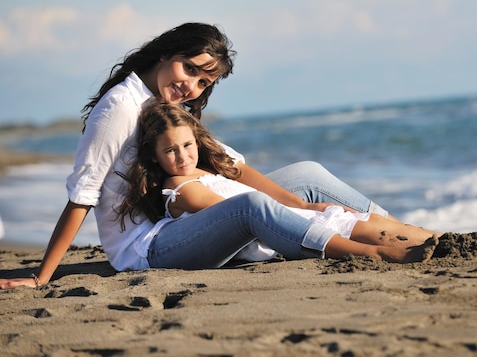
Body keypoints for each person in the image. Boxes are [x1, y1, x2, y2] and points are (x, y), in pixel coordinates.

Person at [0, 22, 477, 290]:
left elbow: (232, 166)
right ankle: (378, 253)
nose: (192, 85)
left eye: (204, 81)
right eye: (189, 69)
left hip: (187, 218)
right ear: (166, 52)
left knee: (308, 175)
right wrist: (43, 276)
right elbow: (83, 193)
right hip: (147, 247)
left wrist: (299, 201)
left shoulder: (168, 106)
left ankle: (433, 240)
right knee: (249, 208)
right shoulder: (120, 107)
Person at [118, 99, 446, 263]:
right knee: (338, 225)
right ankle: (377, 255)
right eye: (170, 151)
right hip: (262, 230)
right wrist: (298, 214)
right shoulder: (178, 188)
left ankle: (447, 240)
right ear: (156, 157)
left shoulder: (206, 169)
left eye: (187, 145)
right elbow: (230, 212)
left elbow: (244, 179)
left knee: (361, 219)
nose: (182, 156)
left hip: (275, 216)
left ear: (196, 140)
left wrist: (305, 205)